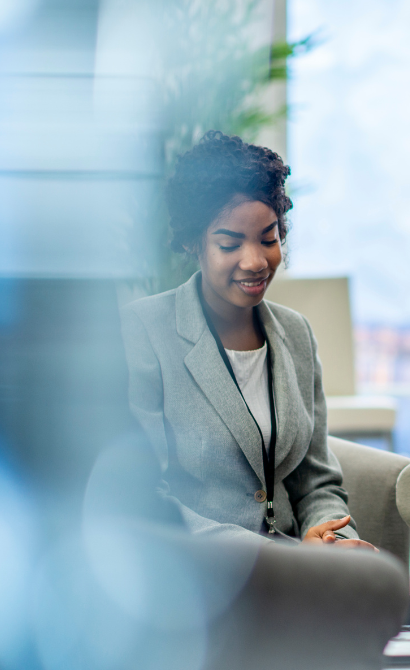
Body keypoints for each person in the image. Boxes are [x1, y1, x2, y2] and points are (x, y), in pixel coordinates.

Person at [120, 131, 371, 549]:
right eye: (229, 243)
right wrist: (274, 556)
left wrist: (332, 535)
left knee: (400, 607)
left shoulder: (296, 334)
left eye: (269, 239)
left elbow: (316, 482)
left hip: (293, 565)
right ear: (192, 241)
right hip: (201, 573)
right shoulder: (144, 332)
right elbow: (143, 496)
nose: (256, 261)